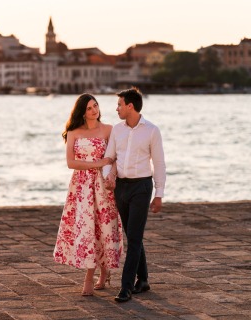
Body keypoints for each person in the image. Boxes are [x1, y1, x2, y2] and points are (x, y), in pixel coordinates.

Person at [53, 93, 124, 296]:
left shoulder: (109, 129)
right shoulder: (74, 132)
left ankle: (104, 272)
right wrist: (96, 164)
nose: (95, 110)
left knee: (104, 228)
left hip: (104, 186)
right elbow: (71, 163)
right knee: (87, 230)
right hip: (82, 187)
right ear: (82, 113)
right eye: (90, 108)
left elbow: (117, 157)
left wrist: (113, 177)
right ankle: (88, 278)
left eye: (96, 106)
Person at [103, 87, 166, 302]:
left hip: (141, 187)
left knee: (135, 237)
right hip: (121, 187)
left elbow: (159, 164)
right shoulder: (117, 130)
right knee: (133, 235)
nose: (117, 108)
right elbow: (109, 156)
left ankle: (126, 287)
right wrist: (107, 177)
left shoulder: (151, 130)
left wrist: (159, 194)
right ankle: (144, 279)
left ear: (130, 106)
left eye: (120, 104)